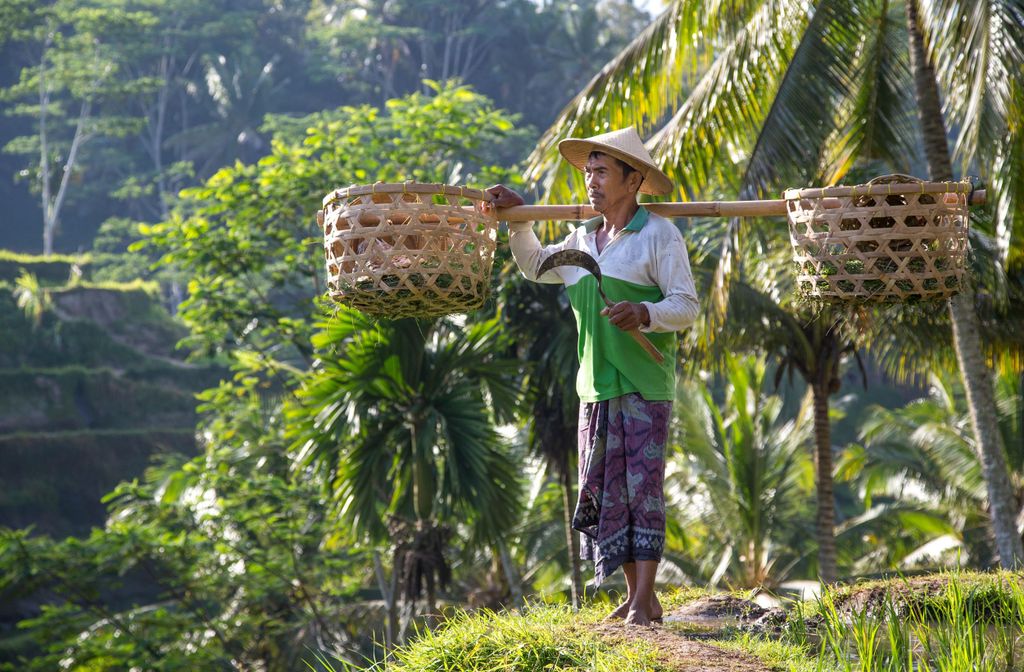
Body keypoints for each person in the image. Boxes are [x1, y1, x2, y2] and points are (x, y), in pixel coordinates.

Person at [486, 127, 699, 626]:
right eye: (589, 172)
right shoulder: (580, 240)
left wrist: (645, 313)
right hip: (594, 384)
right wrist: (519, 220)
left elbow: (686, 305)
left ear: (634, 180)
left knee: (642, 489)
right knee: (607, 490)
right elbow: (537, 265)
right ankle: (636, 596)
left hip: (643, 383)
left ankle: (644, 598)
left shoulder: (658, 235)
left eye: (603, 172)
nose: (592, 181)